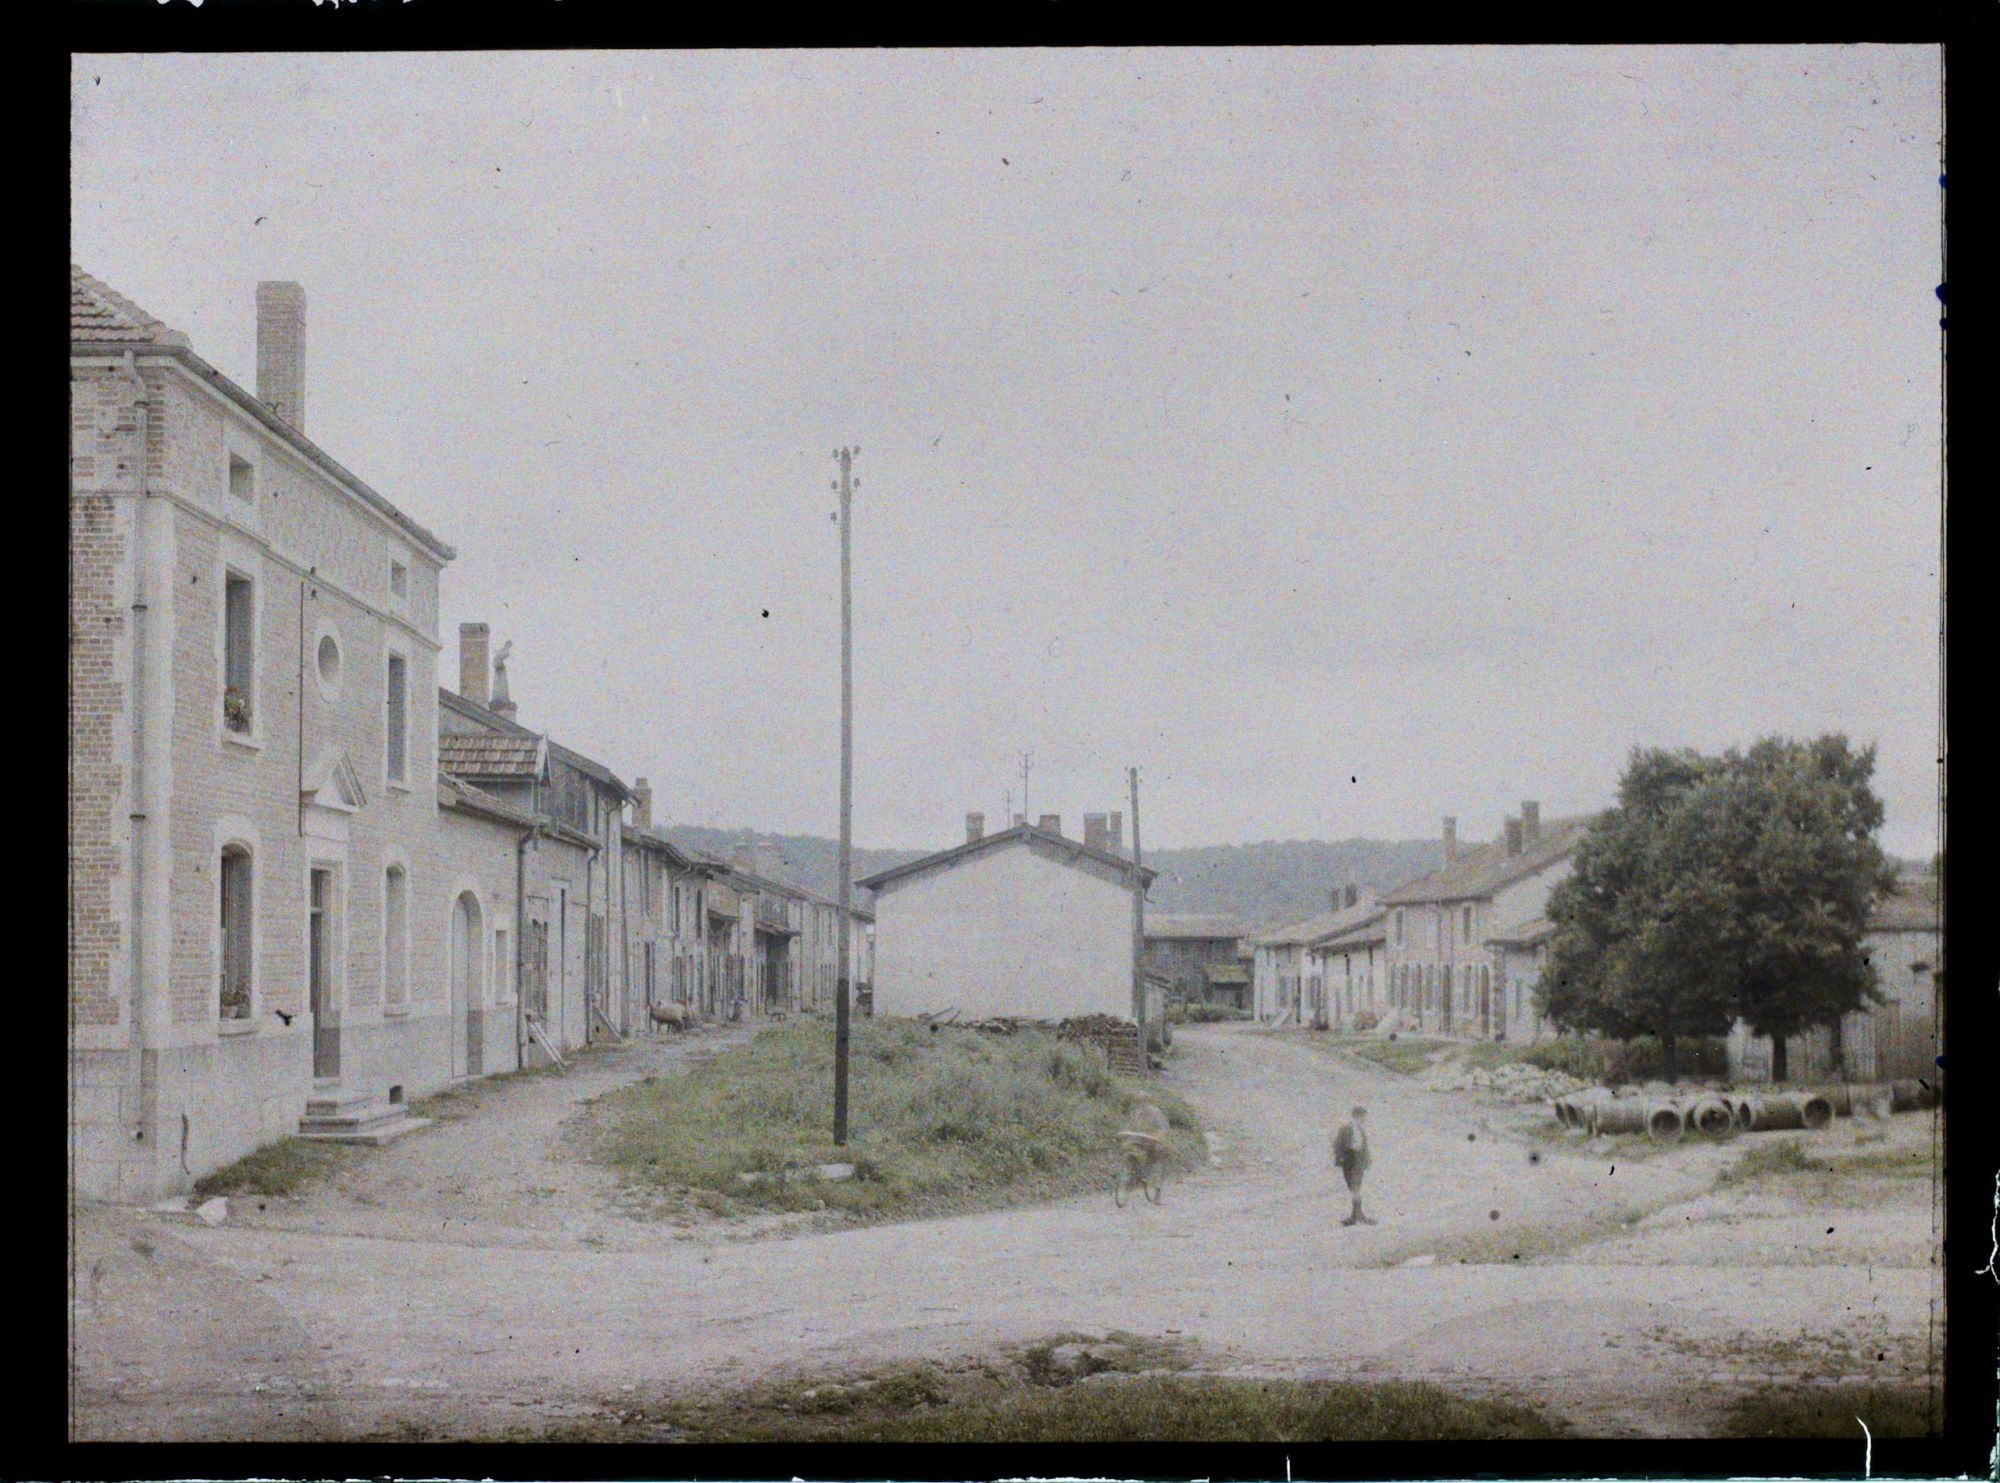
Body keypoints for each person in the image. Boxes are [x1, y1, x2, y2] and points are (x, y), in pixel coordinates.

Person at [1332, 1105, 1375, 1226]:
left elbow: (1364, 1147)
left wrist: (1367, 1160)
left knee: (1356, 1187)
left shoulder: (1360, 1129)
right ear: (1358, 1116)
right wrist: (1341, 1157)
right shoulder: (1346, 1128)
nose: (1365, 1119)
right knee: (1354, 1187)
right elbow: (1337, 1144)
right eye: (1364, 1117)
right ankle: (1357, 1215)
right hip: (1350, 1159)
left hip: (1358, 1160)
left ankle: (1357, 1215)